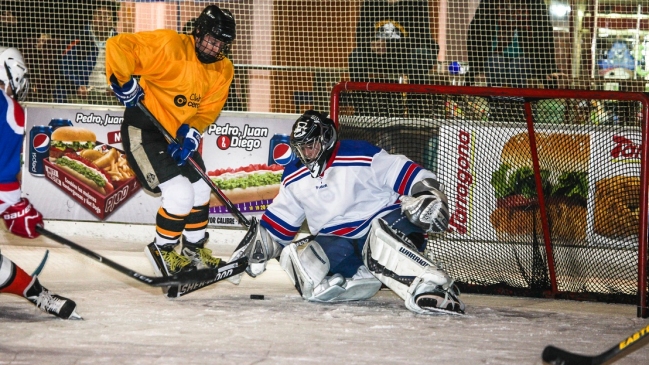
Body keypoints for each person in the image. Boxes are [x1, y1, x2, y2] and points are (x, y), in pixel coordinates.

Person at [237, 110, 465, 315]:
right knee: (302, 260)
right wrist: (254, 250)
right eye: (302, 148)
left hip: (391, 226)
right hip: (341, 242)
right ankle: (360, 276)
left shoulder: (360, 153)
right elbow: (278, 225)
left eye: (311, 145)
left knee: (377, 240)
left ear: (326, 138)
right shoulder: (294, 175)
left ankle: (433, 286)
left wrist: (428, 194)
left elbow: (407, 172)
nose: (307, 153)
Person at [105, 5, 236, 278]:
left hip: (175, 135)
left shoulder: (224, 70)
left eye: (221, 44)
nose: (214, 48)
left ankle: (193, 249)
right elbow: (118, 46)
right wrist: (124, 81)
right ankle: (162, 251)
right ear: (198, 32)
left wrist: (191, 132)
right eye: (212, 40)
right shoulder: (170, 45)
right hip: (144, 130)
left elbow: (206, 111)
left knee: (200, 187)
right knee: (179, 193)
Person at [0, 47, 80, 319]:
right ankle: (35, 292)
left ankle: (35, 291)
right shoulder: (11, 113)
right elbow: (3, 177)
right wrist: (14, 208)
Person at [465, 0, 560, 89]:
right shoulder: (490, 4)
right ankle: (496, 101)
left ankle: (518, 103)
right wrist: (474, 67)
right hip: (496, 54)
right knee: (495, 64)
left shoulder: (533, 4)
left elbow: (545, 34)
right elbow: (475, 32)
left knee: (516, 67)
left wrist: (549, 67)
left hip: (523, 56)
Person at [348, 0, 438, 85]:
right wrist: (371, 44)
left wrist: (389, 45)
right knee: (356, 56)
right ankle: (360, 97)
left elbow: (421, 37)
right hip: (377, 54)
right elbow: (360, 37)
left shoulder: (417, 3)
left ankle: (415, 98)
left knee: (421, 54)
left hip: (405, 54)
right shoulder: (371, 3)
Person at [58, 1, 119, 104]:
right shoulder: (79, 39)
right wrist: (77, 85)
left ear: (113, 21)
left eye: (107, 16)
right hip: (82, 95)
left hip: (110, 96)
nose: (102, 20)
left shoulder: (120, 43)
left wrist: (117, 88)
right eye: (98, 15)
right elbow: (64, 67)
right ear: (91, 18)